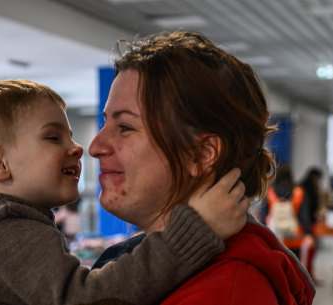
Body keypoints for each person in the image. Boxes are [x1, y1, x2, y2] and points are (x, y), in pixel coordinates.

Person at [0, 79, 249, 305]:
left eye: (69, 136)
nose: (79, 148)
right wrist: (194, 231)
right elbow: (89, 299)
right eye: (52, 138)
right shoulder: (4, 229)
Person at [89, 31, 315, 304]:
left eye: (125, 127)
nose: (95, 146)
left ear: (202, 154)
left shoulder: (226, 290)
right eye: (105, 124)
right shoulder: (146, 265)